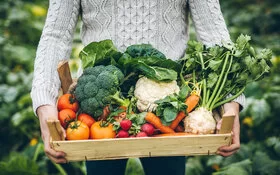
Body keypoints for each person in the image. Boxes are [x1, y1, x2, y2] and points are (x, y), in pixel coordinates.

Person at [31, 0, 245, 174]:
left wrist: (231, 103)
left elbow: (213, 33)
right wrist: (44, 104)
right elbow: (55, 36)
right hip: (99, 110)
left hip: (169, 109)